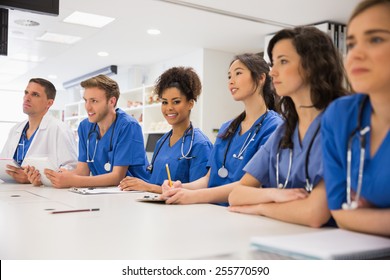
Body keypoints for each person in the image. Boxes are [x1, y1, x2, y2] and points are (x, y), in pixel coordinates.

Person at [228, 26, 347, 228]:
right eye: (273, 63)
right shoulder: (285, 131)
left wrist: (261, 207)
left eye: (283, 62)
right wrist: (274, 194)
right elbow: (236, 195)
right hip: (284, 236)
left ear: (313, 65)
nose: (273, 72)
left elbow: (313, 214)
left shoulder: (339, 121)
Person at [161, 53, 283, 205]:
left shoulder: (274, 127)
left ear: (261, 78)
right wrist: (179, 188)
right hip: (215, 212)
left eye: (238, 73)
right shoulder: (228, 128)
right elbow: (209, 179)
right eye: (229, 76)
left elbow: (252, 185)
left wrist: (194, 196)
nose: (231, 81)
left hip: (245, 215)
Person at [322, 0, 390, 236]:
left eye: (376, 39)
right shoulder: (340, 116)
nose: (355, 54)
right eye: (351, 44)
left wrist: (368, 216)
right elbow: (340, 214)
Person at [44, 74, 150, 188]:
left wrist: (72, 181)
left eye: (94, 101)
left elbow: (117, 177)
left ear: (112, 102)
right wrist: (51, 178)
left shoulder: (128, 126)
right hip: (104, 192)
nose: (88, 107)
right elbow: (82, 172)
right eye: (86, 100)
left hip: (135, 194)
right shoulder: (85, 127)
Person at [119, 67, 213, 193]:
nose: (169, 108)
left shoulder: (200, 145)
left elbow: (197, 193)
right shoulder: (162, 142)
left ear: (190, 103)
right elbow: (155, 183)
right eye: (164, 102)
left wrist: (147, 187)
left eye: (176, 102)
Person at [0, 78, 77, 185]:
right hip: (11, 191)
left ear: (49, 103)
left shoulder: (60, 129)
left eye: (35, 94)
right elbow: (3, 163)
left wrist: (37, 178)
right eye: (26, 93)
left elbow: (71, 168)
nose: (27, 98)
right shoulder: (15, 129)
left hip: (44, 196)